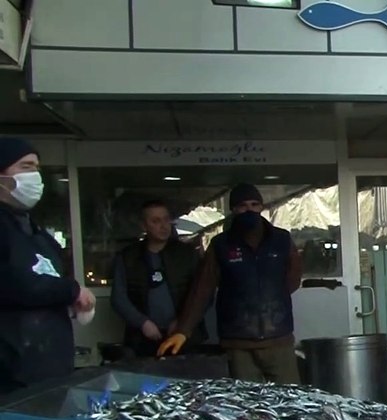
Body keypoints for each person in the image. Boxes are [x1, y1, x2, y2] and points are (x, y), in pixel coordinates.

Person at [158, 183, 302, 384]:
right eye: (242, 205)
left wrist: (269, 298)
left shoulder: (281, 240)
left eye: (254, 204)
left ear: (262, 207)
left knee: (291, 401)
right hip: (238, 342)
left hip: (278, 338)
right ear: (233, 210)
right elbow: (203, 289)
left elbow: (293, 279)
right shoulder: (221, 244)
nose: (249, 210)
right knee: (246, 405)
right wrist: (183, 330)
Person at [0, 138, 95, 395]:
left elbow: (49, 277)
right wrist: (70, 291)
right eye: (25, 167)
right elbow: (13, 284)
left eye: (37, 168)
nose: (35, 176)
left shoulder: (37, 232)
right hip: (10, 374)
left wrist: (73, 300)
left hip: (48, 369)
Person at [111, 200, 203, 358]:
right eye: (156, 221)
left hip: (184, 337)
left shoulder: (187, 254)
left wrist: (183, 321)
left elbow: (201, 294)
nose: (164, 226)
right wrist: (142, 323)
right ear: (144, 225)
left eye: (166, 219)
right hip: (142, 339)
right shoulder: (128, 257)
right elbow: (119, 298)